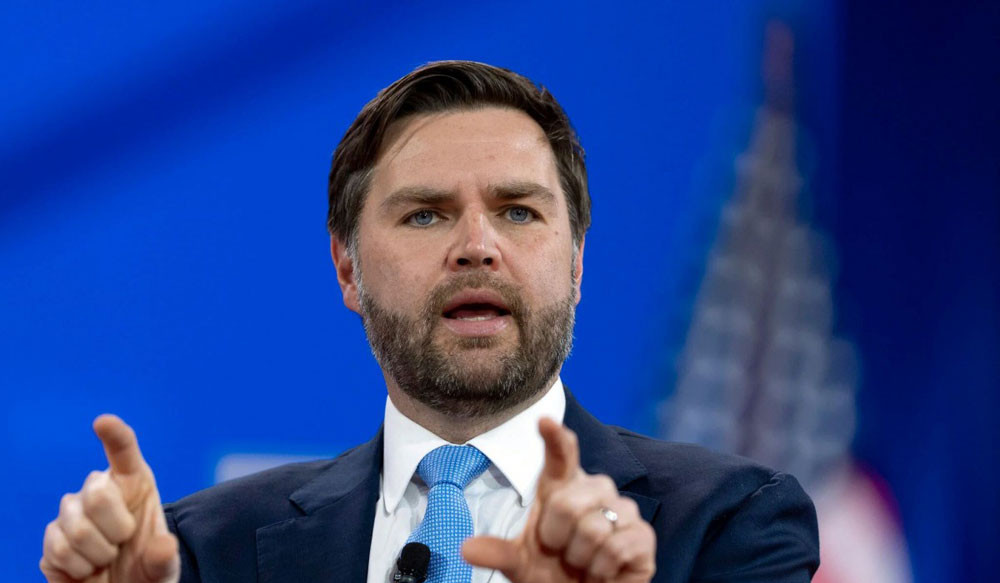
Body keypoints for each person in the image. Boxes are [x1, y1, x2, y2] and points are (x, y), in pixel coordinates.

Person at [39, 60, 820, 583]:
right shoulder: (208, 549)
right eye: (425, 214)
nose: (477, 246)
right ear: (348, 269)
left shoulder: (728, 524)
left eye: (518, 211)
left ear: (577, 262)